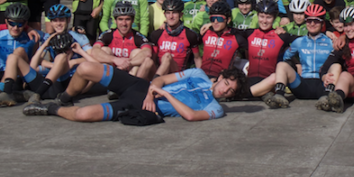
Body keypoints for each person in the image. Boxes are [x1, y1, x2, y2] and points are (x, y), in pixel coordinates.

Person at [23, 62, 246, 123]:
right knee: (85, 68)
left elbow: (191, 116)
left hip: (143, 107)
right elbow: (161, 79)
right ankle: (64, 97)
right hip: (141, 88)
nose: (225, 90)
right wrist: (152, 91)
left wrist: (165, 96)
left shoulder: (215, 109)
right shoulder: (197, 73)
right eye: (226, 83)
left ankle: (51, 108)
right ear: (221, 77)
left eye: (230, 91)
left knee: (83, 115)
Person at [18, 4, 96, 103]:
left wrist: (74, 61)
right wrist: (45, 46)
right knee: (23, 63)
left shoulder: (79, 37)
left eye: (61, 20)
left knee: (61, 57)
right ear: (51, 22)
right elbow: (33, 66)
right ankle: (19, 92)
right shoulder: (48, 37)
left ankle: (37, 93)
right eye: (55, 20)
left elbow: (94, 60)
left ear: (68, 20)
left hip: (72, 77)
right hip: (55, 75)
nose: (58, 23)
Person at [264, 4, 335, 109]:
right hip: (302, 85)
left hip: (322, 85)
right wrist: (296, 63)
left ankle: (327, 98)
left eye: (316, 21)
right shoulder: (299, 41)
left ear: (322, 23)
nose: (312, 24)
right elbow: (285, 57)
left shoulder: (330, 42)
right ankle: (279, 96)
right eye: (309, 21)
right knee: (282, 65)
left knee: (336, 66)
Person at [89, 2, 155, 80]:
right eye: (120, 19)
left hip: (130, 73)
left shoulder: (138, 36)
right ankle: (109, 82)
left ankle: (131, 84)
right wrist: (115, 60)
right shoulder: (108, 34)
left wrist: (128, 63)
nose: (124, 23)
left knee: (137, 52)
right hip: (112, 72)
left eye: (127, 19)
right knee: (104, 49)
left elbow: (147, 53)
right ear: (115, 20)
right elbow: (95, 51)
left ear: (133, 20)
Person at [148, 0, 197, 78]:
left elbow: (197, 58)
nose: (171, 16)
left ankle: (155, 80)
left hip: (178, 76)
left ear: (181, 15)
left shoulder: (190, 35)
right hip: (160, 73)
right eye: (168, 13)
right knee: (148, 60)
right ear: (164, 14)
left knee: (167, 56)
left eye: (174, 13)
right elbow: (153, 60)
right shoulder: (157, 34)